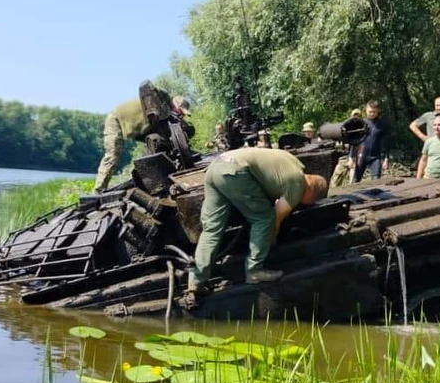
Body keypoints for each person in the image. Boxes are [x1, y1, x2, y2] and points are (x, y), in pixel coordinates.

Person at [188, 148, 328, 293]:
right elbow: (276, 218)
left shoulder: (294, 163)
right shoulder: (297, 184)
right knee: (264, 218)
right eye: (310, 202)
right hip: (235, 171)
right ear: (312, 191)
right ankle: (254, 271)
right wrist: (272, 241)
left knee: (211, 229)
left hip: (215, 167)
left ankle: (197, 280)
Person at [94, 94, 190, 193]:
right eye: (181, 112)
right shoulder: (159, 100)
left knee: (160, 143)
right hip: (116, 120)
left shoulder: (162, 111)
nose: (181, 116)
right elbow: (152, 90)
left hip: (139, 128)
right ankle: (99, 189)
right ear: (175, 105)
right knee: (112, 155)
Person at [351, 100, 390, 183]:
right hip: (362, 155)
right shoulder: (361, 123)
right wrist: (351, 157)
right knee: (355, 180)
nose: (372, 114)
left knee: (376, 181)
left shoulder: (382, 125)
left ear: (378, 111)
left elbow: (386, 143)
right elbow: (354, 142)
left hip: (375, 157)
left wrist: (386, 158)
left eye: (374, 112)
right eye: (370, 112)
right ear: (366, 110)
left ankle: (376, 196)